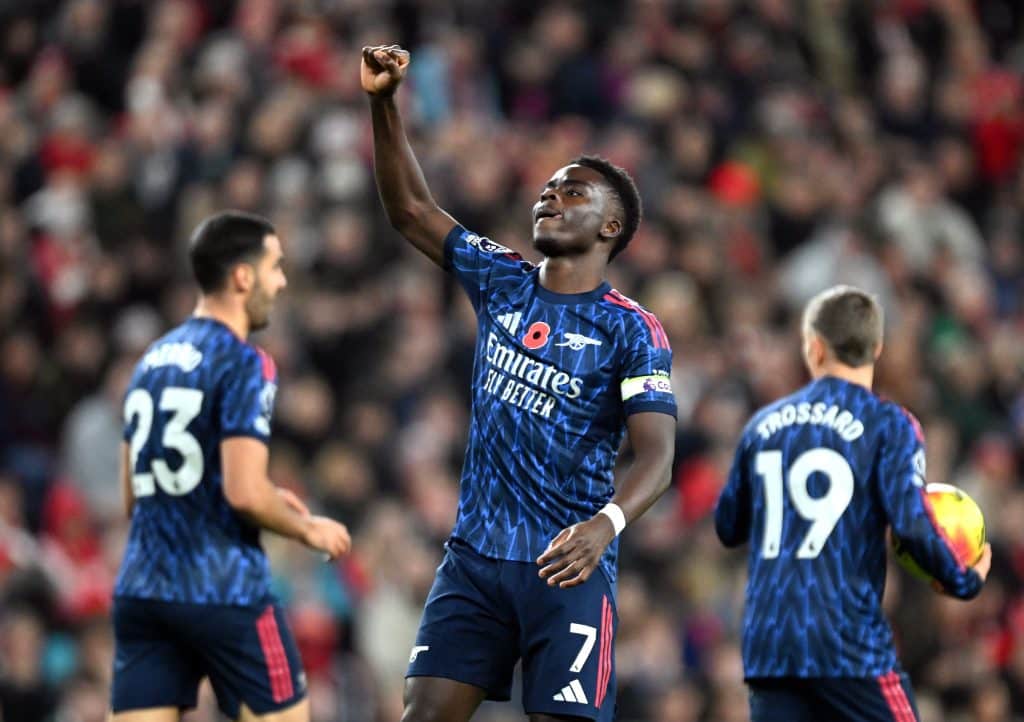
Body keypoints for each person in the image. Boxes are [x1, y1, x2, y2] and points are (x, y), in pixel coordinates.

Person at [362, 44, 678, 722]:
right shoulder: (501, 279)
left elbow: (657, 456)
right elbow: (411, 211)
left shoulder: (634, 330)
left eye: (574, 191)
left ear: (611, 226)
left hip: (567, 566)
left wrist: (606, 525)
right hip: (474, 559)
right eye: (548, 186)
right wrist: (384, 105)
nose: (550, 195)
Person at [110, 211, 352, 722]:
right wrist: (305, 528)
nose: (282, 282)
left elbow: (134, 496)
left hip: (144, 586)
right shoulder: (246, 361)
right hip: (224, 587)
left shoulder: (149, 360)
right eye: (275, 267)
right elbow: (244, 492)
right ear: (243, 276)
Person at [715, 284, 993, 722]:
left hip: (770, 640)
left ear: (816, 348)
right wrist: (961, 580)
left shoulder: (764, 425)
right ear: (877, 347)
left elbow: (728, 526)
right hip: (842, 636)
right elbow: (912, 524)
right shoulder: (890, 425)